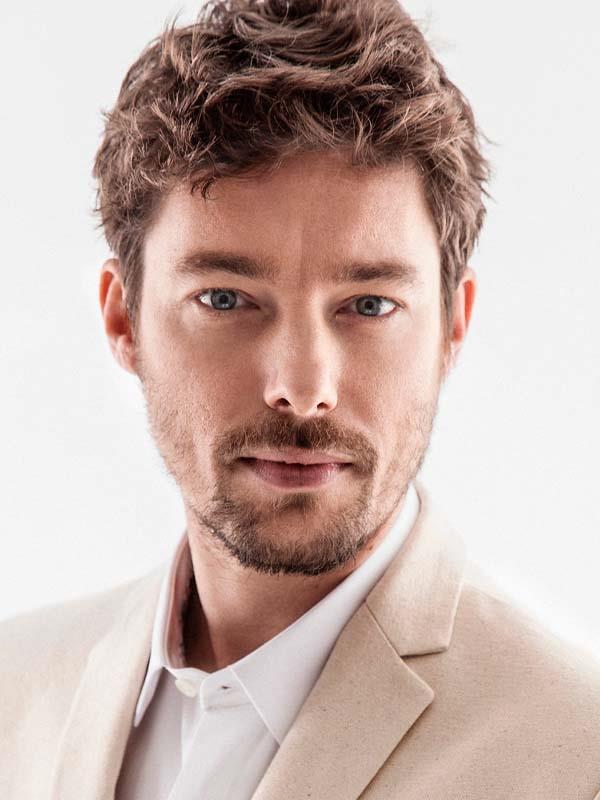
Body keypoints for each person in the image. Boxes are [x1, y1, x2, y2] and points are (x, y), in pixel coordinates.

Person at [1, 0, 599, 798]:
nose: (303, 389)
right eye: (225, 299)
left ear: (452, 326)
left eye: (370, 305)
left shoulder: (575, 755)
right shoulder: (15, 693)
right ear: (123, 319)